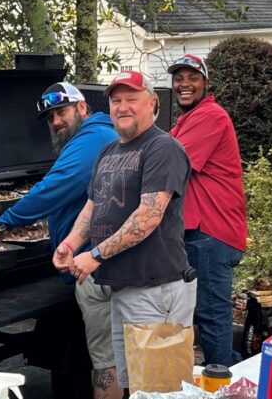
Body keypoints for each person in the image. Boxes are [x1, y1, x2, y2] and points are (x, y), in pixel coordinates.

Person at [52, 71, 196, 395]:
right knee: (132, 384)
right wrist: (71, 244)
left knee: (159, 390)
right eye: (116, 100)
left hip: (156, 289)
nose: (122, 106)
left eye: (132, 98)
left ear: (152, 103)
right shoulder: (108, 153)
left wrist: (96, 255)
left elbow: (148, 216)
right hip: (122, 288)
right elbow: (92, 207)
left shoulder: (163, 148)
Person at [0, 82, 121, 399]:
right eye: (50, 117)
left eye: (62, 112)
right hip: (87, 258)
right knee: (103, 354)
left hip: (96, 266)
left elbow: (56, 186)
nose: (56, 121)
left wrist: (5, 221)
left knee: (104, 359)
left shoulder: (94, 138)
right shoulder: (95, 135)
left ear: (82, 107)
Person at [167, 54, 248, 367]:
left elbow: (171, 164)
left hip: (211, 231)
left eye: (192, 78)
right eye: (178, 79)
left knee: (211, 315)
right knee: (205, 314)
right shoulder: (186, 121)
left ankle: (222, 380)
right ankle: (228, 371)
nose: (184, 84)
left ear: (206, 83)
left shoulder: (210, 116)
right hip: (201, 232)